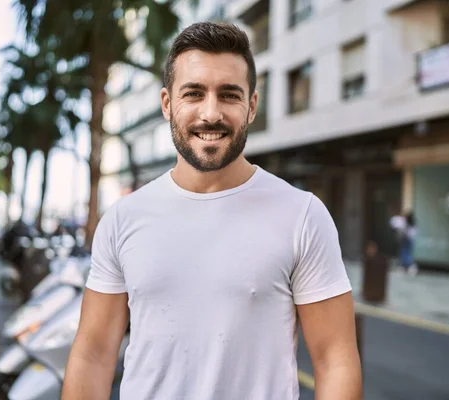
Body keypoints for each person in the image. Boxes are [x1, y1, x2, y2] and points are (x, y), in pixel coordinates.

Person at [62, 22, 362, 400]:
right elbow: (93, 355)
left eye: (229, 95)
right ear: (168, 104)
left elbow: (336, 361)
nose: (211, 113)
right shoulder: (122, 219)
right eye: (194, 93)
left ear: (251, 107)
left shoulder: (302, 215)